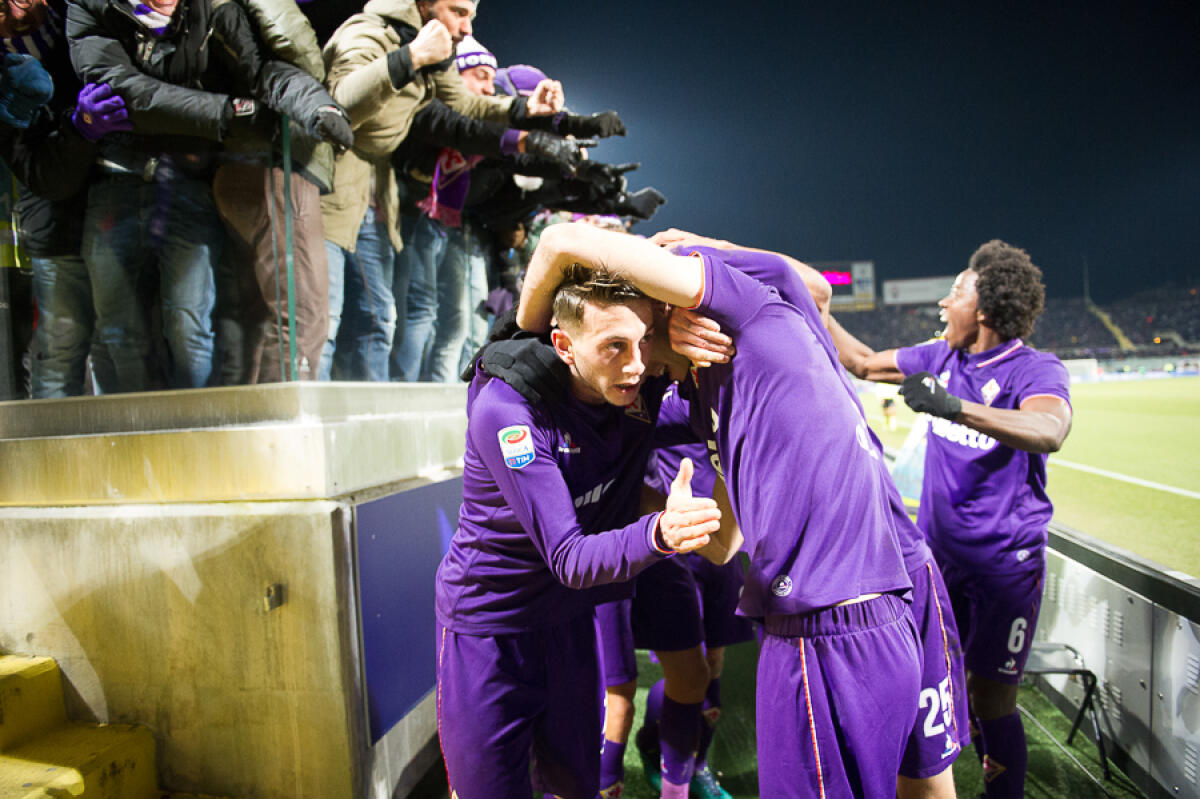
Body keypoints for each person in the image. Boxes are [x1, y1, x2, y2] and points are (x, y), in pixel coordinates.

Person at [518, 224, 922, 799]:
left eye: (635, 340)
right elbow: (722, 543)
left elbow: (560, 241)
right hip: (841, 620)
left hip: (827, 627)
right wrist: (654, 510)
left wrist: (527, 336)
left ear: (667, 306)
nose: (637, 370)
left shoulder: (749, 316)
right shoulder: (706, 398)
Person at [436, 265, 722, 799]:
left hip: (568, 620)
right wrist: (660, 532)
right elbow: (568, 557)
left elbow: (710, 407)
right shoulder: (509, 411)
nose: (636, 365)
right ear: (564, 346)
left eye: (643, 341)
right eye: (614, 346)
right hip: (491, 625)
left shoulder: (631, 391)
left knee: (576, 786)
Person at [828, 239, 1072, 799]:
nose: (943, 302)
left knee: (992, 699)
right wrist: (815, 306)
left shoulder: (1034, 369)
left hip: (1005, 567)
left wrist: (954, 408)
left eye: (956, 292)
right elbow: (862, 362)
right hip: (938, 562)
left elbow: (1049, 430)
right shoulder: (941, 356)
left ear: (984, 309)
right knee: (923, 683)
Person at [66, 0, 351, 392]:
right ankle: (134, 425)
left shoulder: (212, 7)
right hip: (119, 181)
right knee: (119, 330)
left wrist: (316, 104)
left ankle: (209, 421)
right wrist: (227, 111)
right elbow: (124, 90)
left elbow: (263, 70)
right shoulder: (93, 7)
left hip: (192, 179)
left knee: (192, 326)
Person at [318, 0, 563, 380]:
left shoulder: (433, 54)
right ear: (423, 4)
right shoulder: (370, 31)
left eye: (471, 16)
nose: (467, 28)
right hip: (329, 191)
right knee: (325, 316)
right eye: (458, 12)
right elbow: (337, 105)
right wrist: (410, 57)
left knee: (379, 318)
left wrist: (524, 108)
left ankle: (378, 410)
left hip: (375, 198)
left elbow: (466, 105)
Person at [0, 0, 125, 397]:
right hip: (56, 221)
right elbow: (38, 171)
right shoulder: (8, 77)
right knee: (60, 350)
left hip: (119, 203)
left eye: (21, 0)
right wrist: (80, 128)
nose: (15, 16)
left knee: (119, 342)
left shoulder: (81, 15)